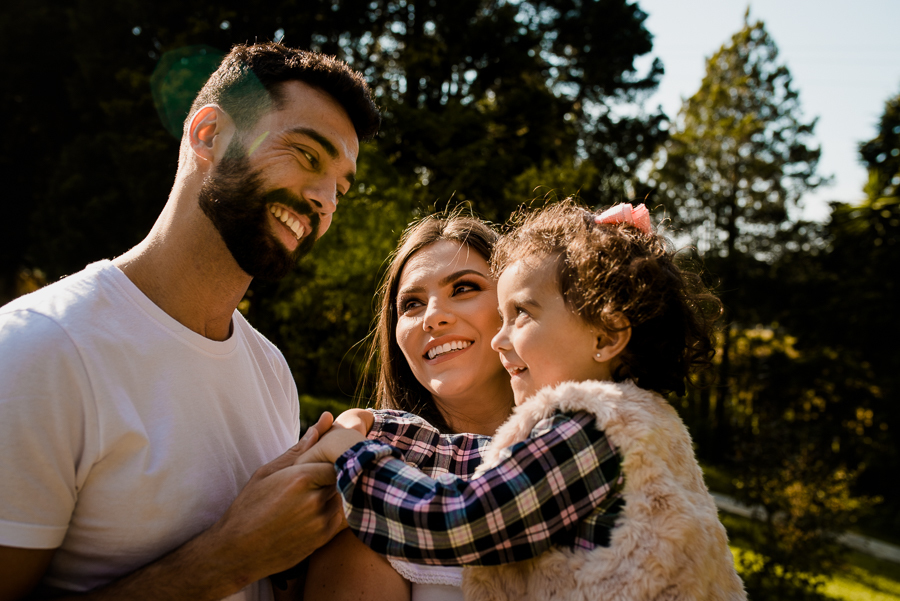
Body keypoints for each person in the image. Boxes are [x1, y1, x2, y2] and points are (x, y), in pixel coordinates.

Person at [0, 42, 380, 601]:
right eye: (306, 155)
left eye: (340, 190)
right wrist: (228, 557)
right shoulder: (40, 349)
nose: (325, 202)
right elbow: (238, 560)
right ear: (209, 136)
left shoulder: (270, 370)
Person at [303, 200, 747, 600]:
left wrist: (356, 460)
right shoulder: (629, 423)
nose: (500, 338)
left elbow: (466, 518)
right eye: (411, 304)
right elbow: (477, 459)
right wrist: (378, 426)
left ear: (606, 335)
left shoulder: (592, 428)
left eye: (520, 314)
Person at [303, 214, 516, 600]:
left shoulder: (597, 443)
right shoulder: (367, 493)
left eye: (463, 288)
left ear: (515, 302)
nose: (432, 317)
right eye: (412, 304)